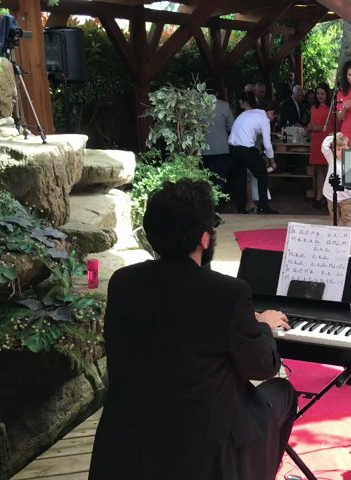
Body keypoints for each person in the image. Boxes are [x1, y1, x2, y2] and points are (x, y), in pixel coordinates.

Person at [89, 180, 296, 480]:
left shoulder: (122, 283)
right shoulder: (227, 294)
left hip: (129, 437)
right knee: (283, 392)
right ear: (204, 238)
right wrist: (261, 325)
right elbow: (262, 366)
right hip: (203, 452)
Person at [228, 91, 276, 214]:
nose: (273, 117)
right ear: (267, 112)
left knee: (240, 177)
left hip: (233, 147)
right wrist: (272, 160)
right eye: (273, 113)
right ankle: (263, 206)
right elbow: (267, 143)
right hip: (246, 148)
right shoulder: (262, 118)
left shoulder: (244, 114)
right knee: (262, 174)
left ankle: (241, 209)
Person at [201, 78, 234, 200]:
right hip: (222, 148)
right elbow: (232, 126)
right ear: (217, 92)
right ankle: (217, 201)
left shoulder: (198, 106)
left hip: (204, 148)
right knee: (221, 177)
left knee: (206, 177)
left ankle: (207, 200)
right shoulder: (225, 106)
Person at [321, 132, 351, 235]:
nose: (341, 152)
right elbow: (324, 146)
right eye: (338, 149)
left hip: (346, 196)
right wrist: (334, 136)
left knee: (347, 217)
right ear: (334, 150)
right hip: (331, 195)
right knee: (334, 217)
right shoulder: (331, 158)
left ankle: (348, 236)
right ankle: (334, 235)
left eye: (344, 149)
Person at [308, 84, 334, 210]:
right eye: (318, 93)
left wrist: (322, 128)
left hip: (327, 140)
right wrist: (310, 127)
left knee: (329, 170)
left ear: (327, 94)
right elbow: (312, 124)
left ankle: (328, 197)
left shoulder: (331, 108)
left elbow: (336, 126)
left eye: (322, 94)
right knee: (319, 171)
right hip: (316, 140)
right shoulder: (314, 107)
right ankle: (319, 197)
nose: (320, 96)